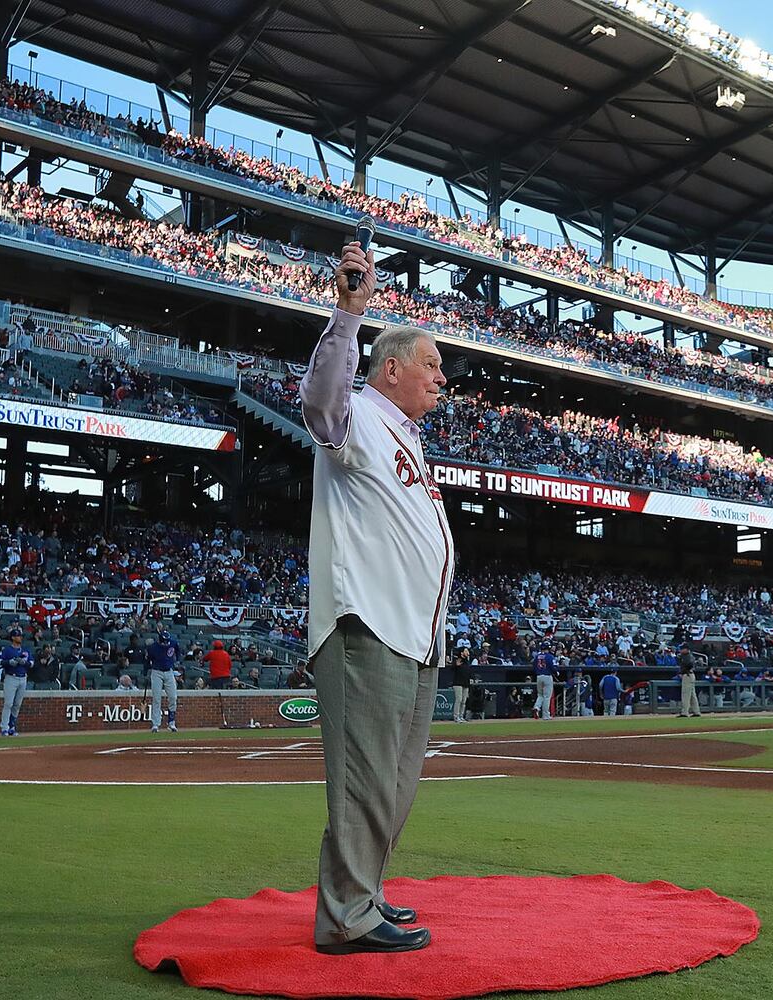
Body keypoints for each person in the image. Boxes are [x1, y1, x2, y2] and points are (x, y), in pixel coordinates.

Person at [296, 237, 449, 956]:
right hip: (367, 625)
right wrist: (348, 313)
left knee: (394, 782)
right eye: (431, 365)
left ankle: (366, 894)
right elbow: (319, 402)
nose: (441, 378)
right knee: (366, 781)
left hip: (413, 633)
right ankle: (347, 916)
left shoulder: (407, 435)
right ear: (390, 370)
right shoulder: (358, 412)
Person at [0, 629, 31, 736]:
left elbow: (32, 663)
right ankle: (4, 727)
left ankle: (12, 726)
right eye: (18, 636)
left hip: (23, 677)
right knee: (8, 703)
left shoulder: (25, 650)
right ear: (13, 637)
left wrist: (24, 662)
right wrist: (9, 662)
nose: (20, 637)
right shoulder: (7, 650)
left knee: (17, 704)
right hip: (11, 677)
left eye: (20, 636)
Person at [147, 628, 181, 733]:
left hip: (169, 671)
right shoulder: (153, 647)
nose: (166, 643)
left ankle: (171, 722)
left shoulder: (173, 643)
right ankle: (156, 724)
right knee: (157, 698)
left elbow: (178, 651)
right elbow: (148, 659)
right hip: (156, 672)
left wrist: (178, 661)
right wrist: (146, 671)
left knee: (173, 697)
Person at [448, 647, 473, 723]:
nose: (467, 652)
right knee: (459, 699)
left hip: (465, 683)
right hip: (458, 683)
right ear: (462, 653)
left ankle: (461, 716)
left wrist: (471, 679)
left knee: (464, 701)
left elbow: (469, 672)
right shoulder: (457, 660)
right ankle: (456, 717)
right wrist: (456, 665)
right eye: (466, 651)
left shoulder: (467, 661)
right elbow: (451, 669)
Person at [531, 644, 555, 720]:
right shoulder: (549, 656)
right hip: (547, 676)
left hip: (539, 676)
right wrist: (556, 672)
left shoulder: (537, 656)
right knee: (547, 696)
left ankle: (536, 707)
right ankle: (545, 715)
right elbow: (552, 666)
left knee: (540, 695)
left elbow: (534, 667)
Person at [677, 644, 700, 717]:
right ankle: (696, 711)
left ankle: (685, 712)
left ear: (686, 649)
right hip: (690, 675)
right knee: (692, 695)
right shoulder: (689, 656)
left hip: (687, 675)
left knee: (686, 695)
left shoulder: (688, 656)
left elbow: (689, 664)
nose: (680, 650)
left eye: (682, 649)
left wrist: (683, 671)